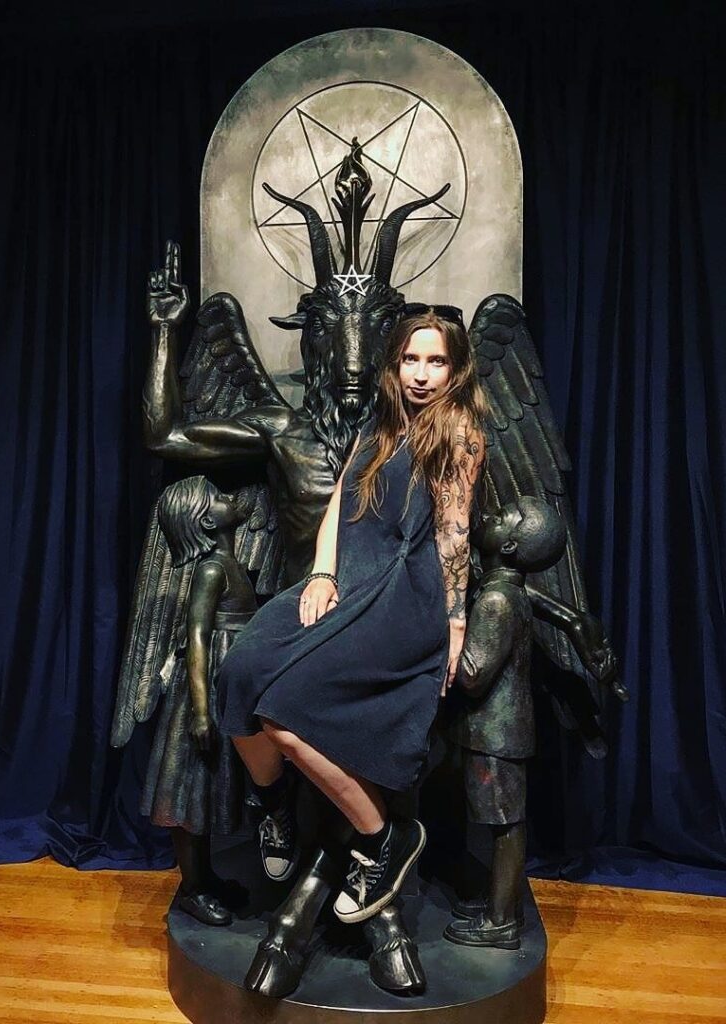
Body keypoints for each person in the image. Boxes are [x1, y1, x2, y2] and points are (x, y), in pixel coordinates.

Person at [216, 305, 489, 924]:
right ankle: (274, 803)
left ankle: (383, 838)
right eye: (411, 359)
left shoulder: (459, 431)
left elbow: (454, 533)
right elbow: (340, 500)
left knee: (285, 710)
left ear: (456, 369)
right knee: (238, 674)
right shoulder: (381, 422)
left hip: (403, 596)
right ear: (395, 364)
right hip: (348, 578)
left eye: (436, 361)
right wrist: (322, 573)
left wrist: (454, 625)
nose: (421, 374)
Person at [140, 476, 257, 925]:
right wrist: (202, 710)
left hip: (225, 684)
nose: (231, 497)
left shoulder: (231, 565)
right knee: (190, 790)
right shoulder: (211, 571)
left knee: (204, 791)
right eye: (219, 497)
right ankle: (191, 887)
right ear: (208, 522)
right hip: (204, 689)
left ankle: (204, 877)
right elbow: (197, 635)